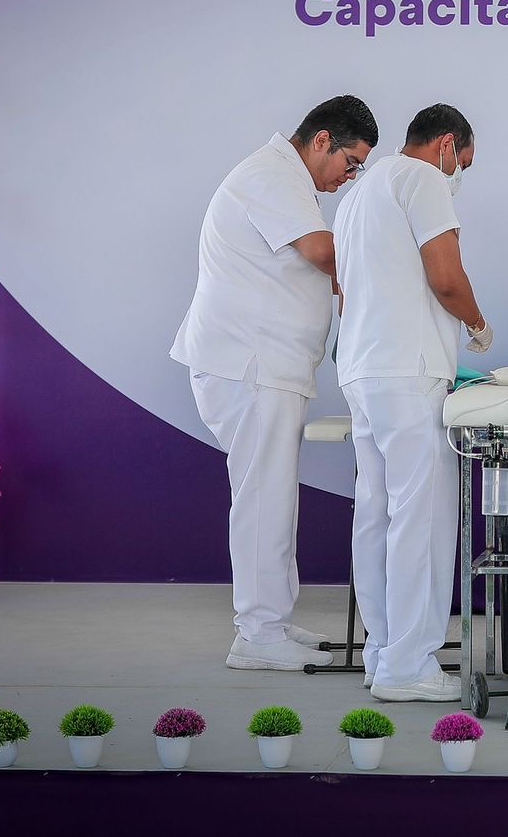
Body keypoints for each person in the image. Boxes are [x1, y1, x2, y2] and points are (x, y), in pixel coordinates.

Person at [171, 94, 377, 671]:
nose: (351, 177)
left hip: (264, 364)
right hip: (252, 364)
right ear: (321, 140)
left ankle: (273, 622)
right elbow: (322, 252)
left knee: (273, 494)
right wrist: (394, 258)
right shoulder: (271, 175)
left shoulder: (286, 181)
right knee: (265, 497)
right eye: (351, 163)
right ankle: (258, 633)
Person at [334, 103, 492, 702]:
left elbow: (346, 288)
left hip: (362, 369)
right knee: (421, 518)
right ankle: (410, 666)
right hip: (408, 370)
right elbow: (445, 277)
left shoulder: (357, 192)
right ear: (446, 144)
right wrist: (477, 325)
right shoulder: (423, 179)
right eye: (464, 162)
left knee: (374, 515)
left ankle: (381, 653)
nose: (459, 174)